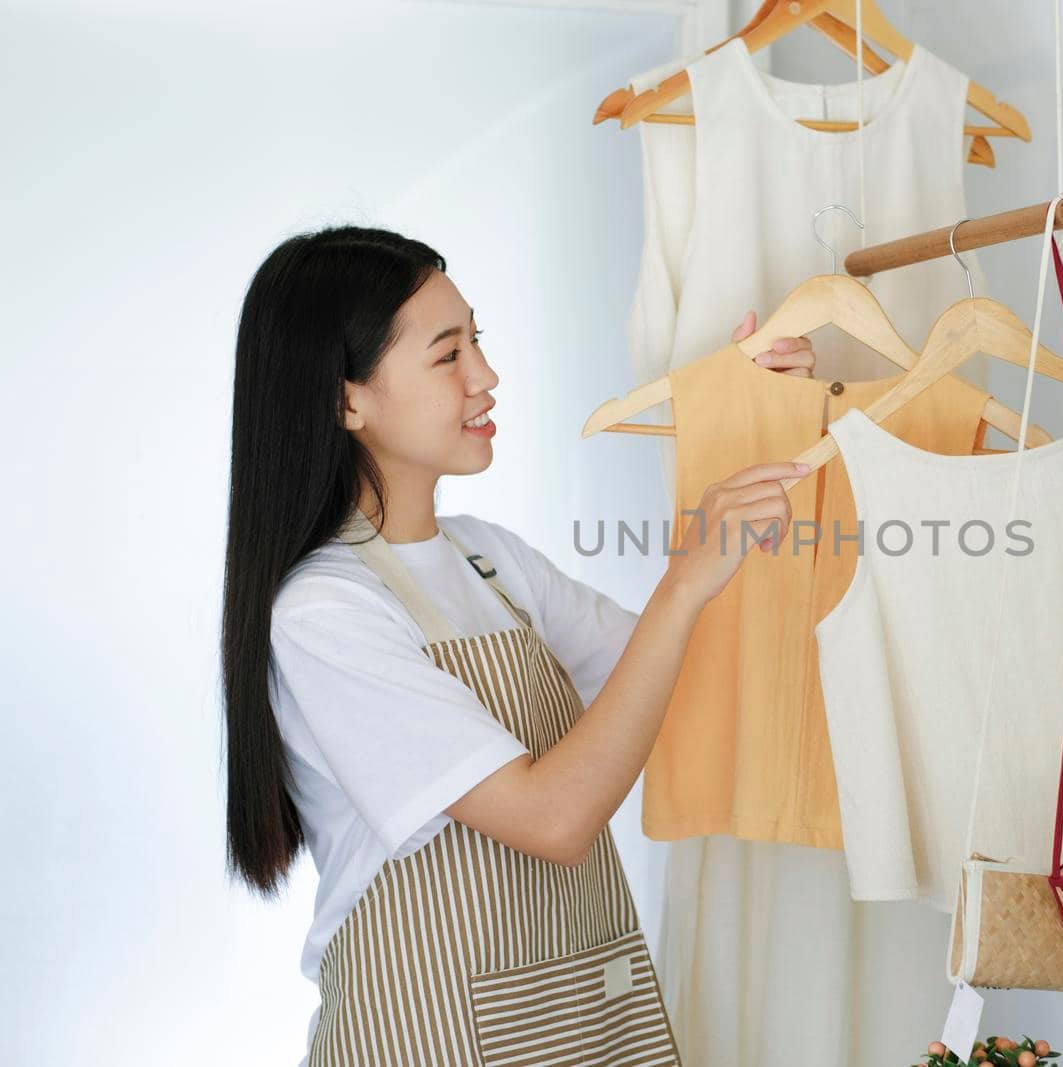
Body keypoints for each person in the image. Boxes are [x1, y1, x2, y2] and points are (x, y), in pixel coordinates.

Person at [219, 225, 815, 1064]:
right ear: (347, 398)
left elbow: (679, 684)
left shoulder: (490, 558)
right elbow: (553, 817)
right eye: (447, 354)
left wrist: (743, 434)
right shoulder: (326, 612)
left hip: (575, 1017)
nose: (485, 376)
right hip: (427, 1035)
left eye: (480, 343)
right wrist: (683, 578)